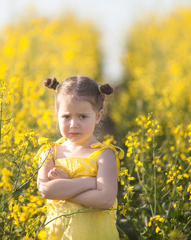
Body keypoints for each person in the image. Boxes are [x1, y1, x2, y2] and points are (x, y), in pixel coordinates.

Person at [36, 76, 124, 240]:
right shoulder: (49, 152)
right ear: (57, 114)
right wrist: (88, 183)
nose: (73, 124)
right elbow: (46, 190)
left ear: (98, 116)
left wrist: (64, 186)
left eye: (82, 117)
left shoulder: (104, 155)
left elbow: (105, 200)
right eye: (66, 116)